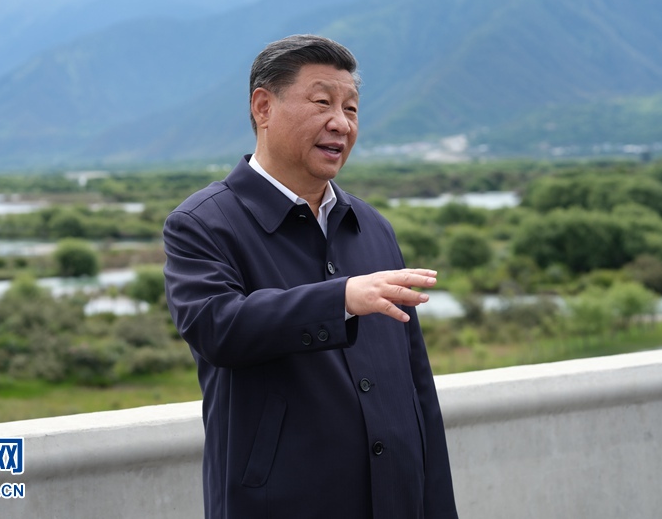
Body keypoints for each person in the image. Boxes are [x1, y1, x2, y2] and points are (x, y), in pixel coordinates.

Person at [163, 34, 459, 519]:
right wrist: (341, 298)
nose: (341, 123)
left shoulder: (372, 226)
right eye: (322, 103)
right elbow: (218, 327)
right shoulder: (203, 223)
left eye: (351, 108)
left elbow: (417, 388)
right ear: (263, 107)